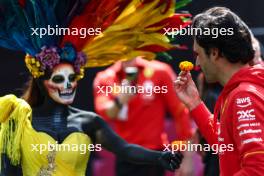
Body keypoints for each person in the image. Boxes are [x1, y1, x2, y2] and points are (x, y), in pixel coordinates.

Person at [0, 0, 191, 175]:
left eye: (72, 78)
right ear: (42, 82)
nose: (67, 85)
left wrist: (159, 157)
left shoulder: (88, 122)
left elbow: (124, 149)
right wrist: (120, 99)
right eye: (58, 79)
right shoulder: (18, 120)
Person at [174, 7, 264, 176]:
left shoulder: (244, 95)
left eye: (198, 54)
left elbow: (258, 170)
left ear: (214, 53)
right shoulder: (245, 89)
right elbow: (226, 146)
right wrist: (195, 103)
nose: (197, 63)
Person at [93, 56, 193, 176]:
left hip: (154, 156)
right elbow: (104, 112)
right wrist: (120, 100)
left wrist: (187, 156)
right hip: (125, 156)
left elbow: (180, 112)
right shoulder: (106, 77)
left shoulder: (160, 71)